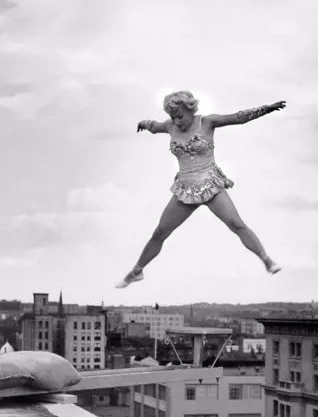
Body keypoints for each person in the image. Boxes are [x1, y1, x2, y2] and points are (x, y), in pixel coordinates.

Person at [115, 90, 286, 289]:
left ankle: (267, 260)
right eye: (172, 117)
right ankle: (136, 272)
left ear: (191, 109)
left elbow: (238, 118)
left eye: (180, 116)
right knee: (160, 232)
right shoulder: (170, 126)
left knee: (236, 223)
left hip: (211, 185)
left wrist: (267, 109)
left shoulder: (207, 122)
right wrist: (143, 123)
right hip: (185, 190)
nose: (176, 121)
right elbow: (153, 126)